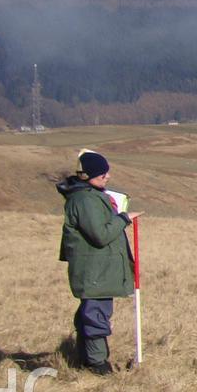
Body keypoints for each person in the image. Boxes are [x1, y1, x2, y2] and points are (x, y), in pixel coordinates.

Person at [57, 149, 137, 375]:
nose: (107, 177)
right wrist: (123, 218)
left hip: (97, 268)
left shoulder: (87, 197)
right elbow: (100, 235)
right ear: (88, 177)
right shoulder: (85, 201)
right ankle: (98, 364)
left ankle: (85, 359)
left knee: (91, 313)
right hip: (95, 270)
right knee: (96, 315)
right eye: (102, 175)